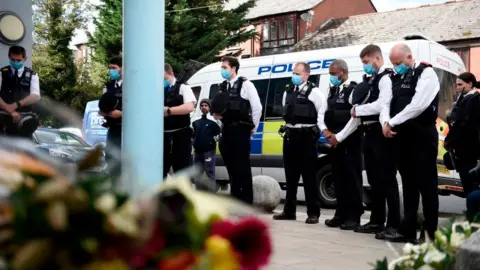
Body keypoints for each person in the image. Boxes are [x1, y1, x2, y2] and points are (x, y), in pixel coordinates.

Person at [382, 43, 440, 243]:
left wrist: (392, 122)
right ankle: (407, 230)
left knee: (427, 186)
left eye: (398, 62)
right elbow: (386, 103)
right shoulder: (395, 77)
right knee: (408, 185)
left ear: (409, 57)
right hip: (403, 138)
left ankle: (429, 234)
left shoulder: (426, 73)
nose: (396, 66)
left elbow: (418, 104)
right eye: (393, 63)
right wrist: (385, 123)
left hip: (422, 136)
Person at [351, 44, 401, 239]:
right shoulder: (371, 80)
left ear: (377, 59)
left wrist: (358, 110)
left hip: (381, 133)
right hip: (369, 133)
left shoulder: (386, 78)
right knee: (374, 180)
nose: (365, 66)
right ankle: (376, 221)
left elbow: (382, 105)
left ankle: (393, 224)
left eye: (366, 62)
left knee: (387, 179)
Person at [272, 62, 322, 224]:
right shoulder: (289, 92)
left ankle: (313, 213)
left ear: (306, 75)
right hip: (290, 137)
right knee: (290, 177)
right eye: (293, 73)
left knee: (309, 177)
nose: (294, 76)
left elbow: (322, 113)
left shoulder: (314, 92)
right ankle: (289, 211)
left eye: (297, 73)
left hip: (306, 138)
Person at [211, 56, 262, 205]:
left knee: (242, 169)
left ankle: (246, 204)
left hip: (241, 130)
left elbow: (257, 107)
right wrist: (218, 116)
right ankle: (235, 202)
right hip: (226, 131)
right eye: (222, 67)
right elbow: (220, 108)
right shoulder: (223, 86)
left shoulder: (246, 84)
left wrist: (253, 127)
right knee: (232, 170)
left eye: (225, 67)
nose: (222, 70)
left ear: (233, 69)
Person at [322, 59, 364, 230]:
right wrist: (326, 132)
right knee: (338, 179)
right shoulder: (332, 91)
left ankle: (354, 216)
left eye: (333, 74)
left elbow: (355, 117)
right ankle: (340, 214)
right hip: (335, 142)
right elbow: (325, 113)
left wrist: (339, 136)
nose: (331, 77)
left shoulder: (353, 90)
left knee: (352, 179)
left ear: (343, 72)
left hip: (350, 141)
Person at [444, 72, 480, 196]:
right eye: (456, 85)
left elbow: (463, 126)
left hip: (468, 151)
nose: (457, 87)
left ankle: (473, 214)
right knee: (468, 185)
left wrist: (449, 141)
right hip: (463, 151)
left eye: (460, 84)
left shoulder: (473, 99)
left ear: (470, 84)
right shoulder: (464, 99)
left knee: (470, 187)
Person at [163, 63, 197, 178]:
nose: (162, 81)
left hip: (180, 135)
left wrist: (169, 111)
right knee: (161, 171)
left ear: (171, 74)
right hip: (163, 135)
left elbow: (189, 107)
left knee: (181, 171)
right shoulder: (159, 90)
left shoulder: (183, 87)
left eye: (164, 78)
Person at [0, 46, 41, 139]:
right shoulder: (2, 73)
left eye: (18, 60)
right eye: (12, 59)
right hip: (3, 118)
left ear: (25, 59)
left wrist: (15, 105)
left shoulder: (32, 75)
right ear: (9, 57)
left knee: (23, 151)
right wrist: (8, 109)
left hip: (24, 120)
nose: (15, 62)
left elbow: (35, 96)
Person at [99, 56, 123, 165]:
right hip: (113, 128)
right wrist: (108, 113)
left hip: (127, 128)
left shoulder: (133, 85)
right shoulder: (109, 86)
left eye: (114, 67)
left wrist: (121, 113)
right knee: (111, 159)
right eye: (110, 68)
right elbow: (101, 109)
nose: (111, 71)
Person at [192, 98, 221, 191]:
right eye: (202, 106)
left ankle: (212, 196)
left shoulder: (214, 120)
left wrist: (212, 140)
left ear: (209, 107)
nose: (204, 107)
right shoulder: (196, 120)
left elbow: (220, 133)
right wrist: (194, 141)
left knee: (210, 172)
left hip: (209, 151)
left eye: (206, 106)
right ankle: (198, 195)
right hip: (197, 151)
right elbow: (192, 133)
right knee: (197, 173)